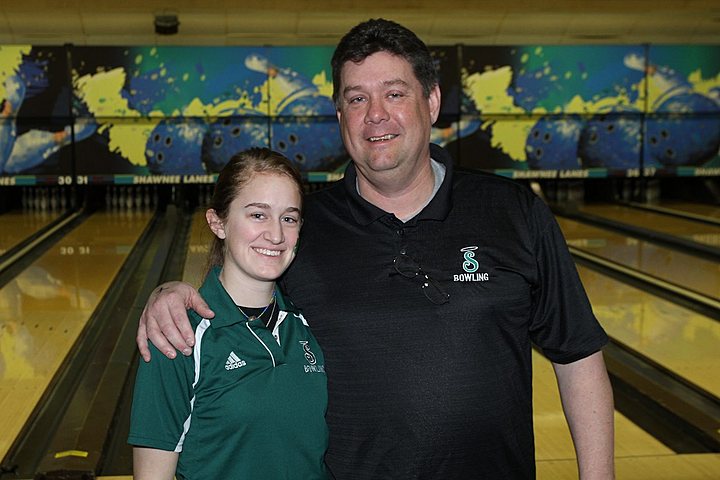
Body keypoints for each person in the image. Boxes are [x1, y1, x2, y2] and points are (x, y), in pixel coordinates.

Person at [136, 19, 615, 479]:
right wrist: (172, 291)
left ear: (431, 101)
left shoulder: (513, 212)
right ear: (340, 114)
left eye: (394, 93)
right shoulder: (303, 228)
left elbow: (577, 356)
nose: (376, 115)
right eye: (357, 98)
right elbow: (238, 292)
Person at [129, 148, 329, 480]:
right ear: (217, 222)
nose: (276, 235)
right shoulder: (177, 335)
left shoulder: (308, 323)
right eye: (257, 215)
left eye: (289, 218)